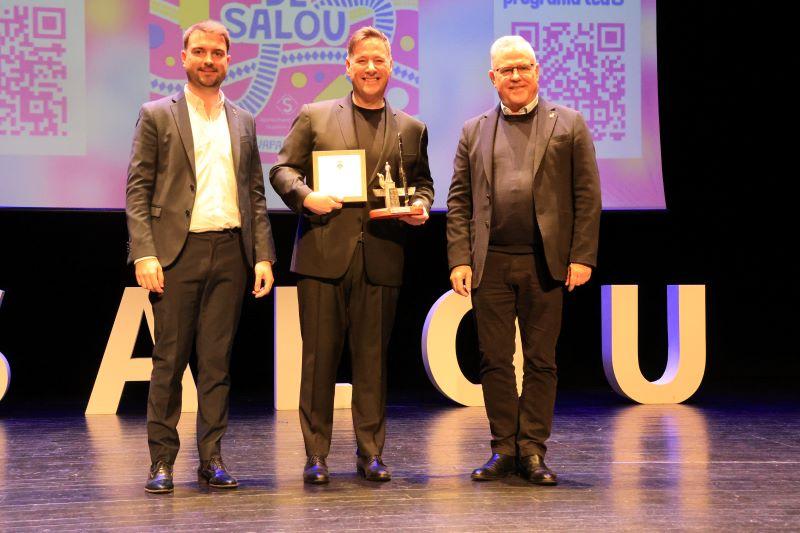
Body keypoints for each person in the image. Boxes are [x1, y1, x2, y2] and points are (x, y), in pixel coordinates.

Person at [270, 26, 433, 484]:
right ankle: (316, 455)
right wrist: (307, 197)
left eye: (379, 60)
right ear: (348, 66)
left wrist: (420, 206)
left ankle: (371, 453)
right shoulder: (316, 115)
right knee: (318, 362)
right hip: (322, 256)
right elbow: (282, 170)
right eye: (362, 60)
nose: (371, 68)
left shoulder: (412, 128)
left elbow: (423, 183)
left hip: (382, 257)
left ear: (391, 67)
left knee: (373, 362)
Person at [126, 19, 276, 494]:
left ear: (228, 60)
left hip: (230, 252)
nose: (208, 60)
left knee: (216, 364)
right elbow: (137, 189)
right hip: (177, 254)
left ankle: (211, 459)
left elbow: (254, 194)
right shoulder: (157, 114)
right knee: (168, 362)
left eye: (217, 53)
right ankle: (161, 461)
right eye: (200, 52)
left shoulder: (244, 120)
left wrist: (263, 256)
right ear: (184, 57)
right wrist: (144, 253)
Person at [446, 35, 601, 485]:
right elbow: (459, 201)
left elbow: (587, 195)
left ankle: (532, 450)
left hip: (545, 262)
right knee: (494, 360)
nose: (516, 76)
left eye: (523, 67)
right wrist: (459, 258)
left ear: (537, 71)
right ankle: (503, 448)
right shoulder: (473, 130)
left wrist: (582, 255)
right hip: (490, 262)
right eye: (506, 70)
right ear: (492, 77)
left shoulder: (569, 123)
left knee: (540, 361)